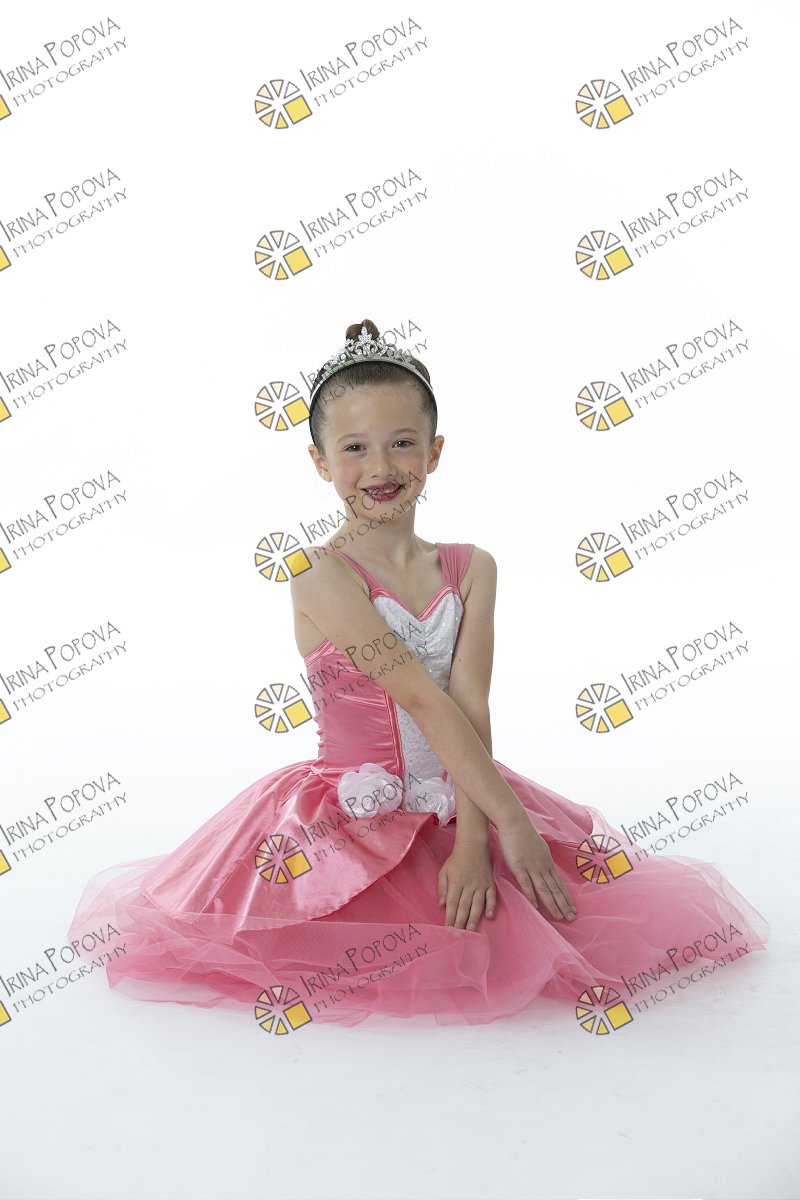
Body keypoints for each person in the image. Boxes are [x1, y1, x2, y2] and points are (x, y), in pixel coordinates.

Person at [65, 318, 770, 1032]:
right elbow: (422, 700)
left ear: (434, 452)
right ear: (319, 461)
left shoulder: (472, 567)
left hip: (464, 792)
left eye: (403, 443)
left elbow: (470, 703)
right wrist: (512, 821)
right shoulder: (319, 573)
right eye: (354, 448)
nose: (381, 467)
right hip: (349, 814)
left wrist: (477, 839)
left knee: (540, 903)